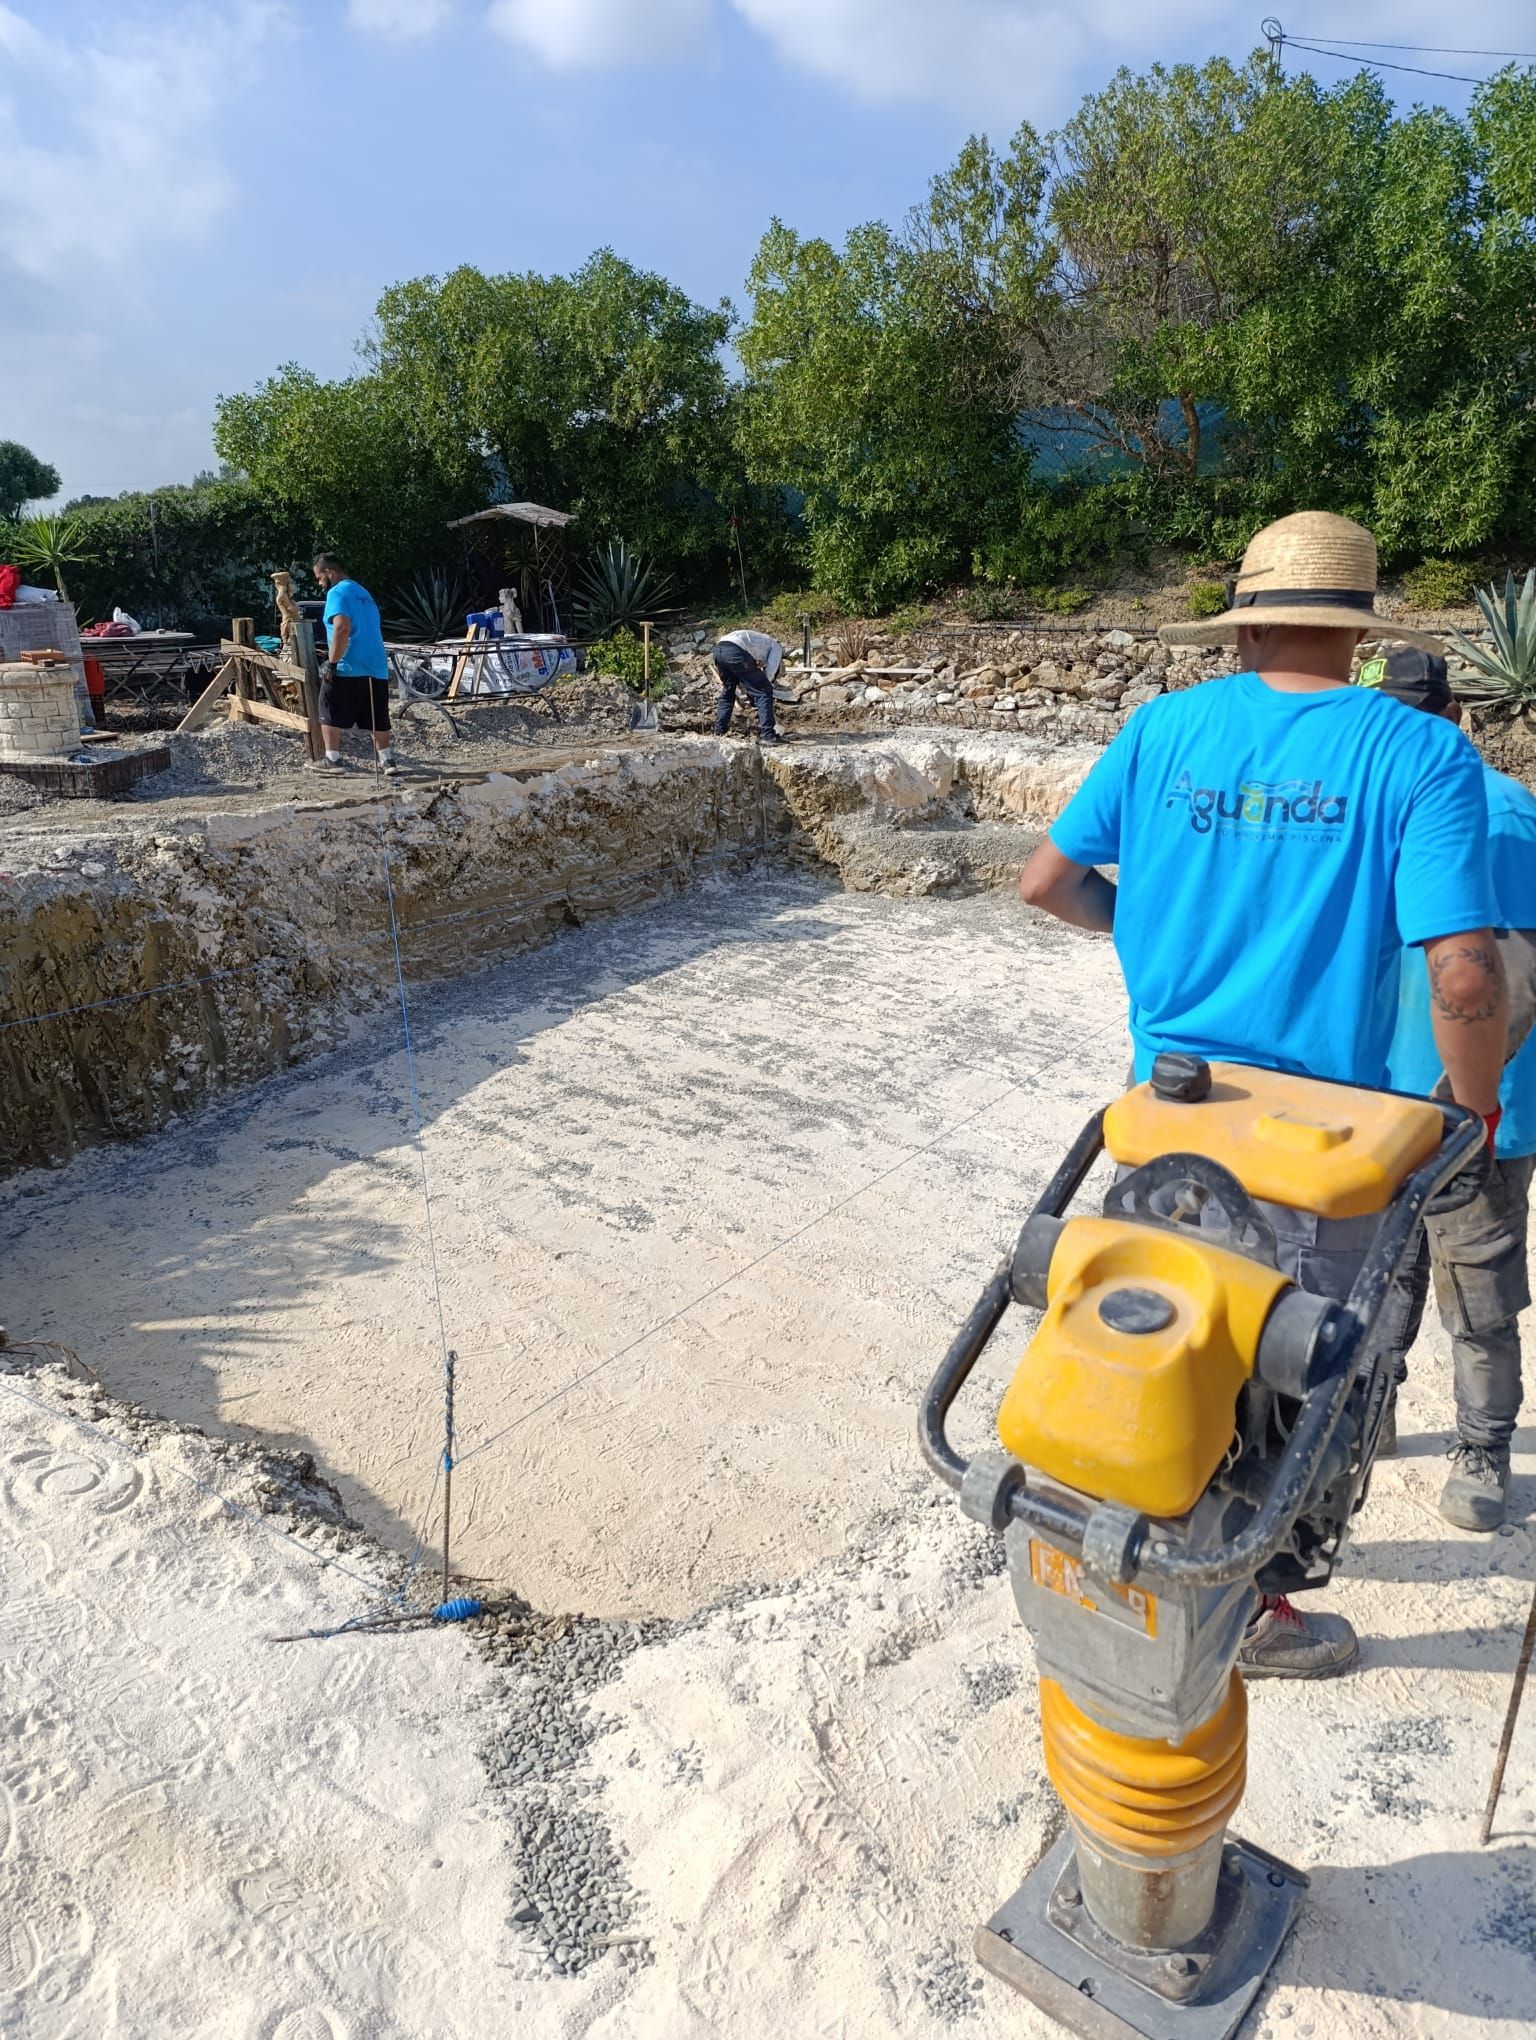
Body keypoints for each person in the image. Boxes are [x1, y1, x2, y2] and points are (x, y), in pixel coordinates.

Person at [1018, 511, 1506, 1679]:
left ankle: (1128, 1564)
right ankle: (1256, 1618)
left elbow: (1047, 881)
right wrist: (1473, 1111)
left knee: (1172, 1344)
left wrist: (1136, 930)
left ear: (1244, 620)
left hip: (1169, 1117)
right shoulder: (1421, 755)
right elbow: (1466, 970)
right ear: (1357, 629)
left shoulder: (1163, 728)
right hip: (1322, 1142)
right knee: (1297, 1386)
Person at [1363, 648, 1536, 1529]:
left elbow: (1503, 970)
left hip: (1435, 1100)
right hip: (1431, 1097)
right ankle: (1435, 1437)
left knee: (1429, 1277)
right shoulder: (1483, 807)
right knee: (1440, 1284)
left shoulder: (1485, 814)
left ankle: (1443, 1438)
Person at [309, 553, 397, 775]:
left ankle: (332, 759)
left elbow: (342, 628)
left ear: (330, 573)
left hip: (349, 664)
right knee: (376, 715)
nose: (320, 583)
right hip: (376, 665)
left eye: (320, 578)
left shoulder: (337, 592)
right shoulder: (363, 592)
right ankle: (387, 761)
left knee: (327, 705)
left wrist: (332, 662)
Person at [712, 627, 785, 744]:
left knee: (728, 692)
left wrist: (752, 693)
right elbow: (769, 674)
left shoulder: (759, 644)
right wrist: (761, 694)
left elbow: (745, 672)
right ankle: (768, 735)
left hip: (718, 651)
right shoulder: (776, 648)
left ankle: (719, 731)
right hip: (734, 650)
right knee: (764, 691)